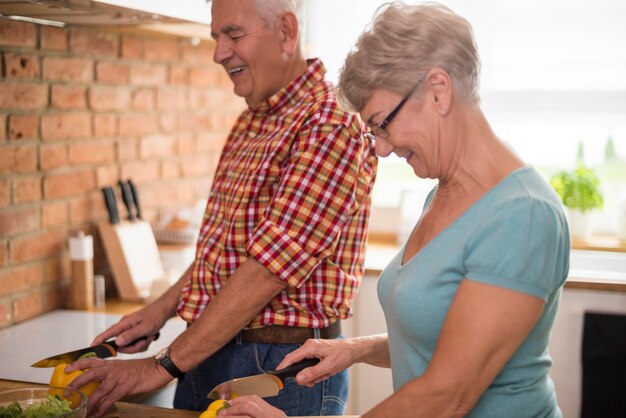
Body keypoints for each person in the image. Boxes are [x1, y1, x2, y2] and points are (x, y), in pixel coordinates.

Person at [219, 2, 570, 418]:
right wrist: (356, 349)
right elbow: (445, 338)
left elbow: (447, 394)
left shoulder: (522, 215)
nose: (381, 148)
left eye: (382, 124)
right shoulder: (444, 191)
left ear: (438, 90)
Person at [66, 0, 377, 416]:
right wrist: (160, 311)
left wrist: (161, 366)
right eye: (216, 37)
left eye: (233, 34)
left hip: (278, 368)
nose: (218, 53)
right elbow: (228, 254)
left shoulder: (329, 123)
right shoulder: (253, 119)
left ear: (286, 31)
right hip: (205, 352)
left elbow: (268, 271)